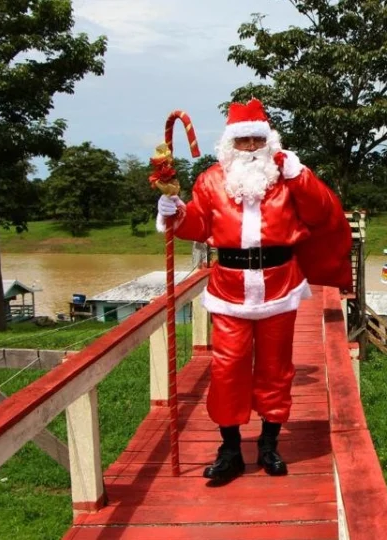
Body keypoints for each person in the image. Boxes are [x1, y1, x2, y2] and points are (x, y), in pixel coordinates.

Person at [156, 97, 353, 484]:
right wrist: (173, 209)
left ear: (268, 142)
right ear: (230, 144)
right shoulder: (212, 179)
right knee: (227, 368)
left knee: (276, 369)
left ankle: (268, 444)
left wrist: (301, 176)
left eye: (255, 140)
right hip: (229, 287)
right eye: (242, 140)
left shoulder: (289, 176)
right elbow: (196, 223)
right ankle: (230, 450)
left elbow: (323, 212)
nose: (249, 148)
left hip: (280, 284)